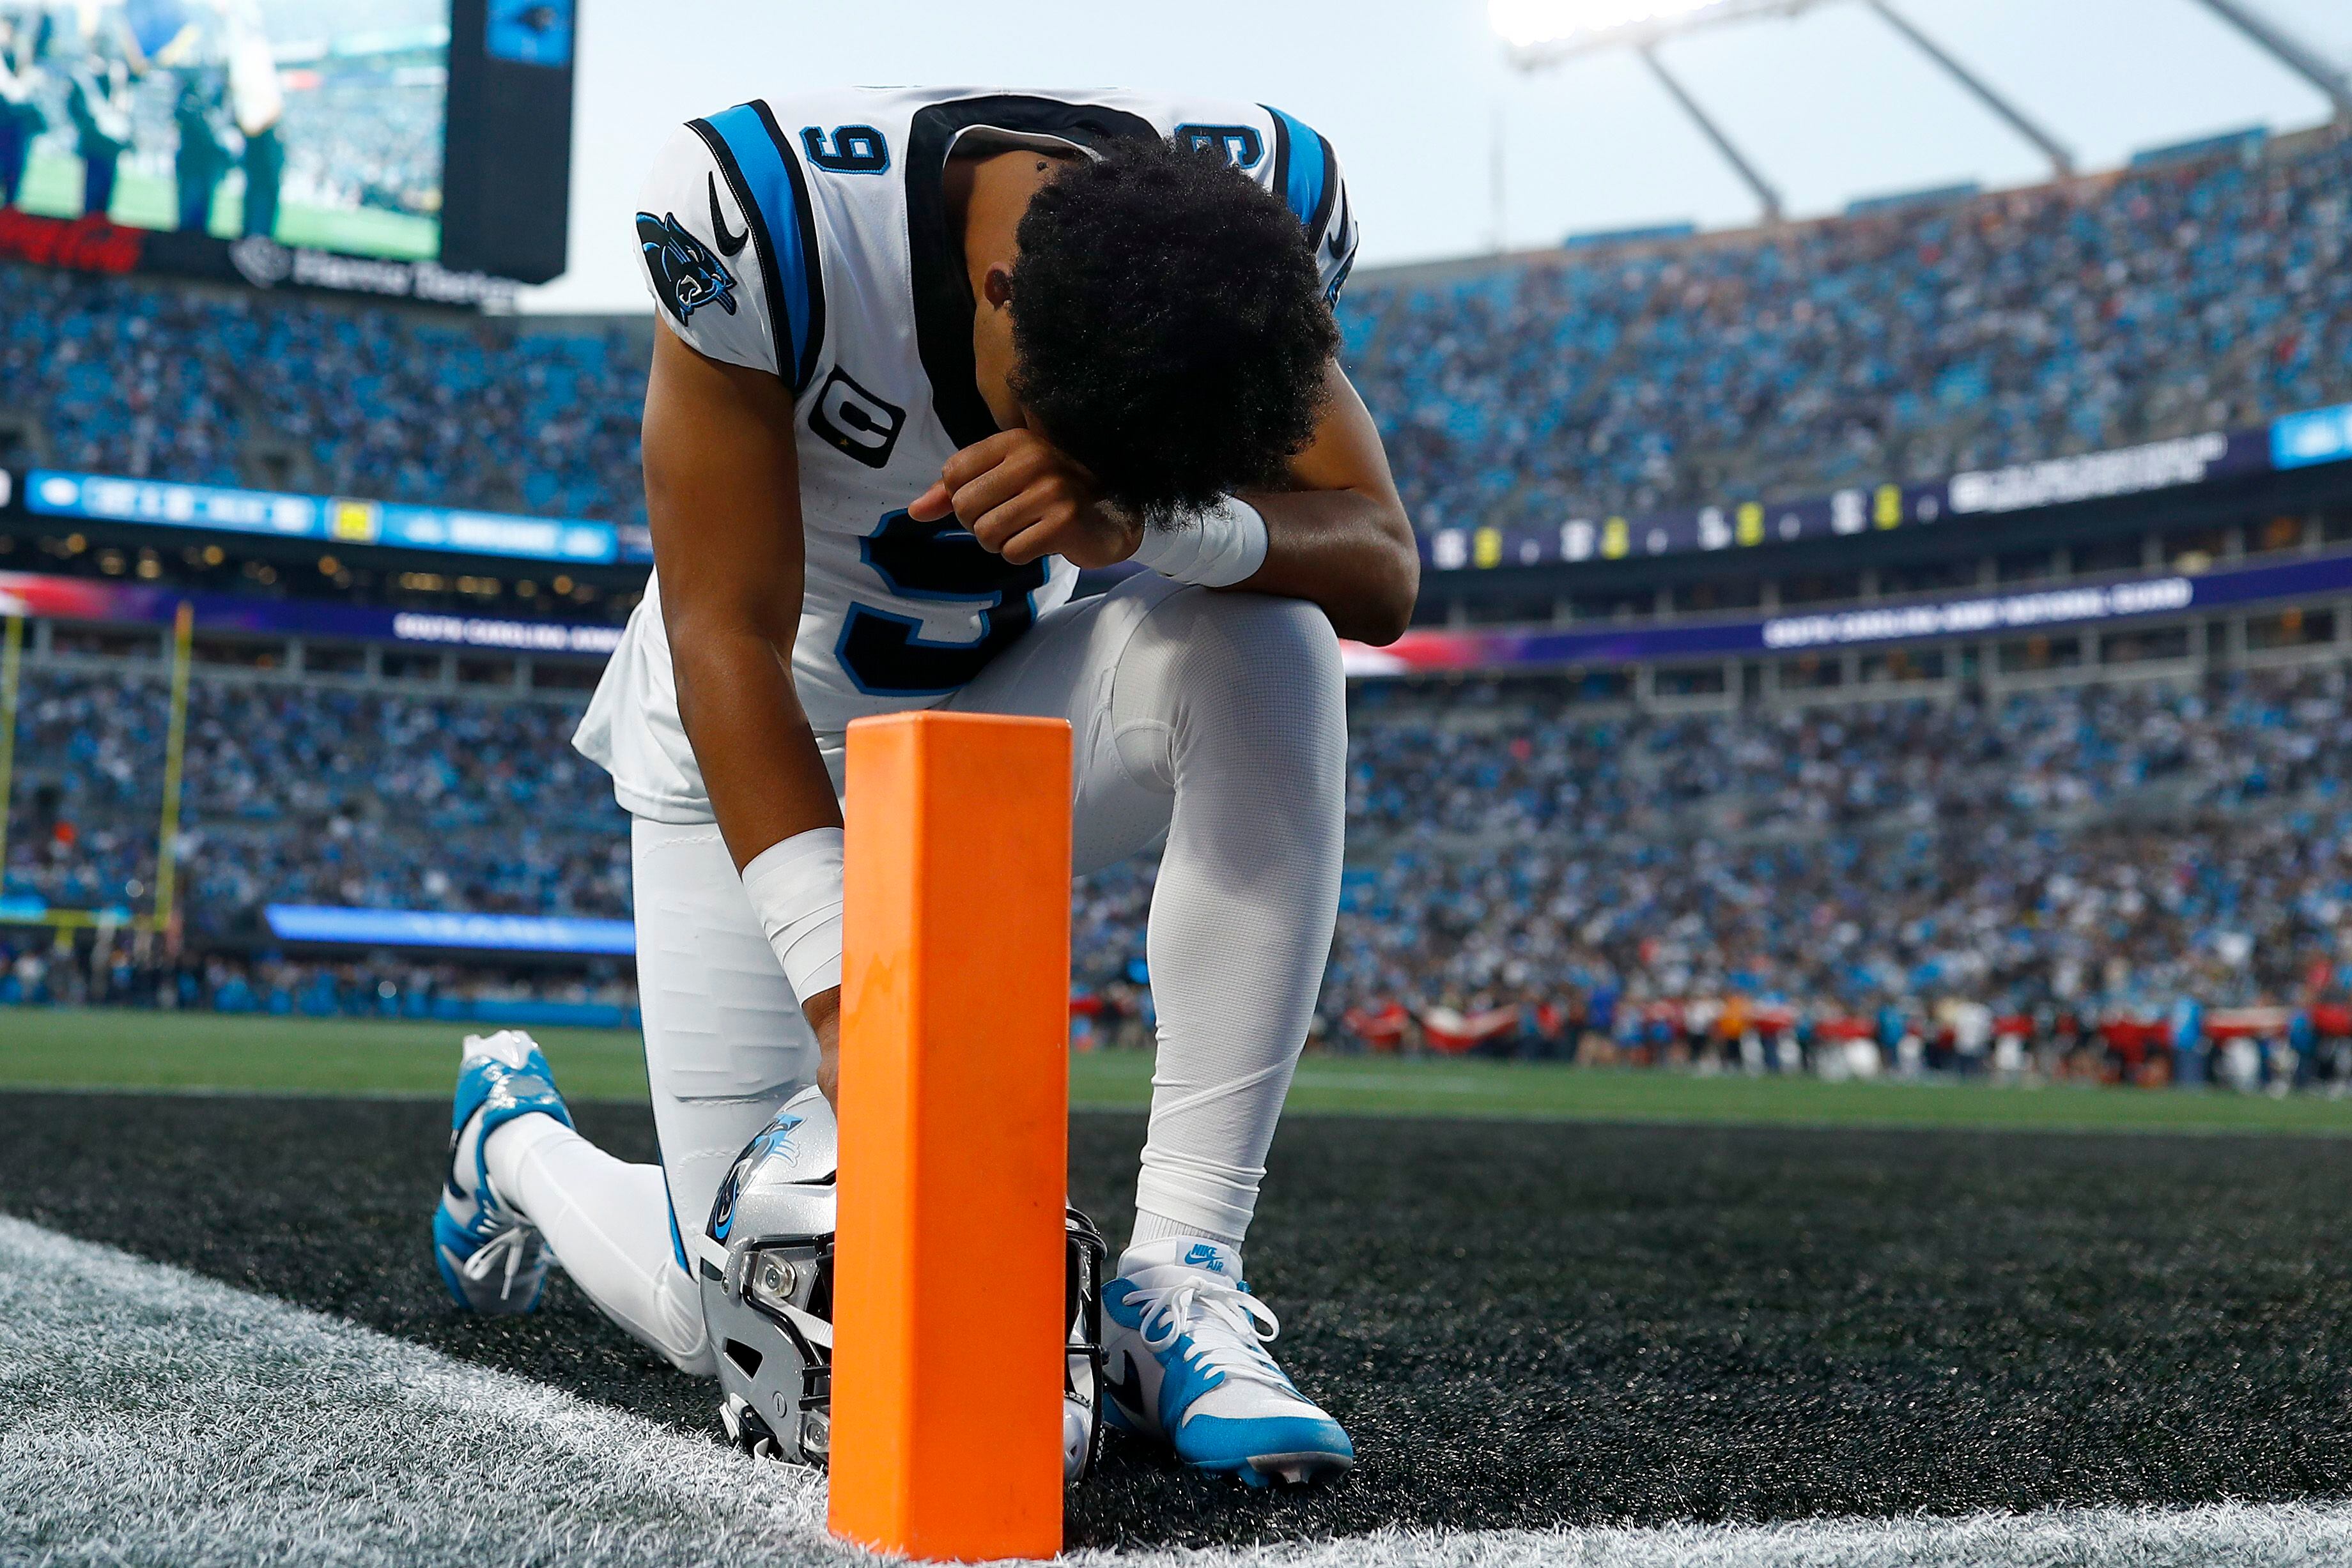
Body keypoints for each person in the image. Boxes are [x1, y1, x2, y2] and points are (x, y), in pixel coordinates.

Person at [431, 89, 1414, 1489]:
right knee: (747, 1311)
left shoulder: (1243, 226)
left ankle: (1180, 1272)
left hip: (999, 727)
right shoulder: (768, 215)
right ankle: (513, 1139)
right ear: (997, 292)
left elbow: (1376, 564)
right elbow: (724, 631)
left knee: (1272, 636)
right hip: (762, 738)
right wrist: (854, 996)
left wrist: (1157, 521)